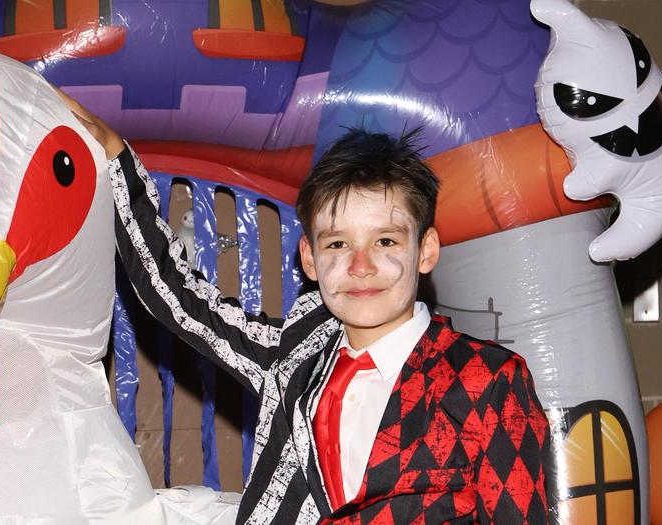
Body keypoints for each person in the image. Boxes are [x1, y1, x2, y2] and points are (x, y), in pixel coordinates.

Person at [59, 90, 550, 525]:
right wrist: (118, 160)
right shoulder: (294, 355)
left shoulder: (486, 379)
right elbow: (176, 293)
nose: (360, 266)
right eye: (337, 244)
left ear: (425, 251)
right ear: (310, 259)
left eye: (385, 241)